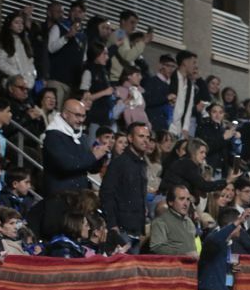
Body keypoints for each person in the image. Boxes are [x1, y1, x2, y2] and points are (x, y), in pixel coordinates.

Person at [43, 98, 110, 197]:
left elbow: (90, 169)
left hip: (78, 197)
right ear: (65, 114)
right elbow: (67, 165)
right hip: (60, 197)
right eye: (78, 115)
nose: (81, 120)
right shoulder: (53, 136)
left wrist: (100, 155)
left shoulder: (80, 136)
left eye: (83, 116)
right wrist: (93, 156)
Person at [99, 121, 150, 250]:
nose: (145, 140)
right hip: (122, 230)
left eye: (147, 137)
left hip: (136, 230)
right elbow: (106, 194)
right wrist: (112, 225)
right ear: (130, 138)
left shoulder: (142, 164)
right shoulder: (119, 163)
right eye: (141, 136)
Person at [149, 185, 197, 256]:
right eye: (181, 199)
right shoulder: (160, 222)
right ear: (170, 202)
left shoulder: (189, 222)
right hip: (173, 265)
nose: (186, 203)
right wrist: (183, 253)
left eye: (188, 199)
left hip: (191, 265)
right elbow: (156, 247)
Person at [0, 11, 36, 90]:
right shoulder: (5, 40)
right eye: (16, 22)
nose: (20, 25)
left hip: (27, 84)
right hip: (12, 82)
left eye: (22, 23)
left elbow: (30, 62)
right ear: (9, 25)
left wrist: (32, 76)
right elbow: (0, 61)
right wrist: (16, 74)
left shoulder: (24, 41)